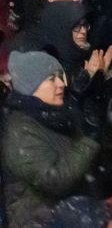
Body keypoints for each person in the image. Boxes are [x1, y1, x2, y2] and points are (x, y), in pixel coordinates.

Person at [1, 50, 100, 227]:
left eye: (60, 76)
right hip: (41, 220)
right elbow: (55, 180)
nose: (61, 83)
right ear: (31, 86)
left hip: (65, 214)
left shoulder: (52, 114)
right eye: (51, 79)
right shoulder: (22, 131)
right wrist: (90, 142)